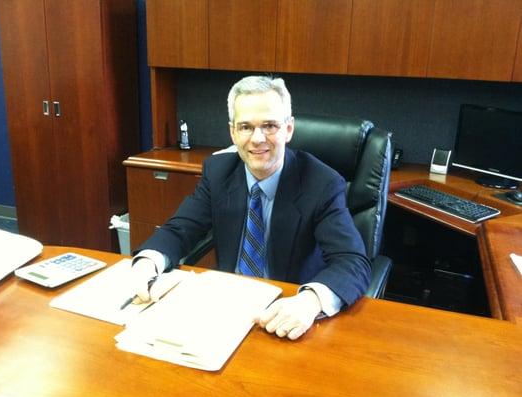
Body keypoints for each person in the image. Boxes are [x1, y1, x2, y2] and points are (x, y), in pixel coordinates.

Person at [130, 76, 371, 340]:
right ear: (233, 132)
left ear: (288, 129)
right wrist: (147, 262)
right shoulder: (218, 172)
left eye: (269, 125)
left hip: (287, 314)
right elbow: (181, 229)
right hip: (225, 311)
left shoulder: (321, 183)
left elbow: (352, 261)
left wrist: (310, 301)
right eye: (245, 127)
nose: (257, 139)